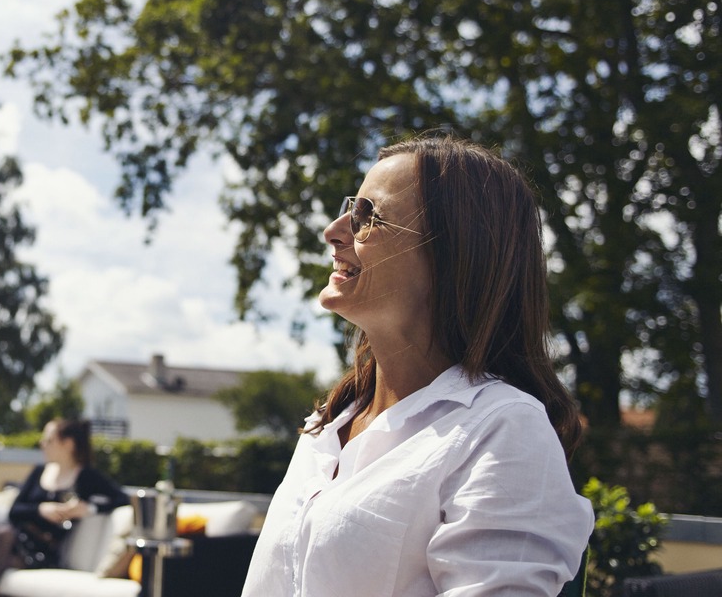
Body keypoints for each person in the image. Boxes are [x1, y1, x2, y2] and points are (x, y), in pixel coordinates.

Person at [242, 136, 595, 596]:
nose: (333, 230)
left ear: (453, 252)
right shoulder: (328, 425)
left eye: (368, 215)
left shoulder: (503, 431)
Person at [0, 419, 129, 597]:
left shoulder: (85, 476)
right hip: (14, 544)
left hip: (43, 551)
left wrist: (88, 508)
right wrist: (41, 510)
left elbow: (122, 498)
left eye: (49, 440)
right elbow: (14, 511)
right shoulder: (39, 472)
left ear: (68, 444)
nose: (42, 444)